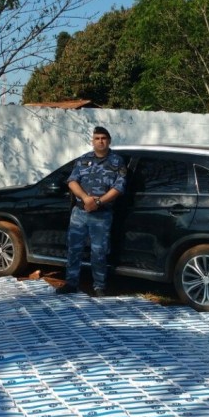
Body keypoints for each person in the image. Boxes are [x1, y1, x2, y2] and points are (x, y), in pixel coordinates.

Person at [56, 126, 127, 297]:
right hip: (80, 213)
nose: (100, 141)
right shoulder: (83, 159)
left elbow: (119, 187)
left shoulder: (117, 162)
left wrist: (98, 202)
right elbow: (72, 181)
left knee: (99, 251)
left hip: (102, 214)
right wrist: (86, 198)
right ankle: (71, 283)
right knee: (74, 249)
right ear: (92, 141)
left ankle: (99, 286)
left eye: (103, 138)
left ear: (109, 141)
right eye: (97, 138)